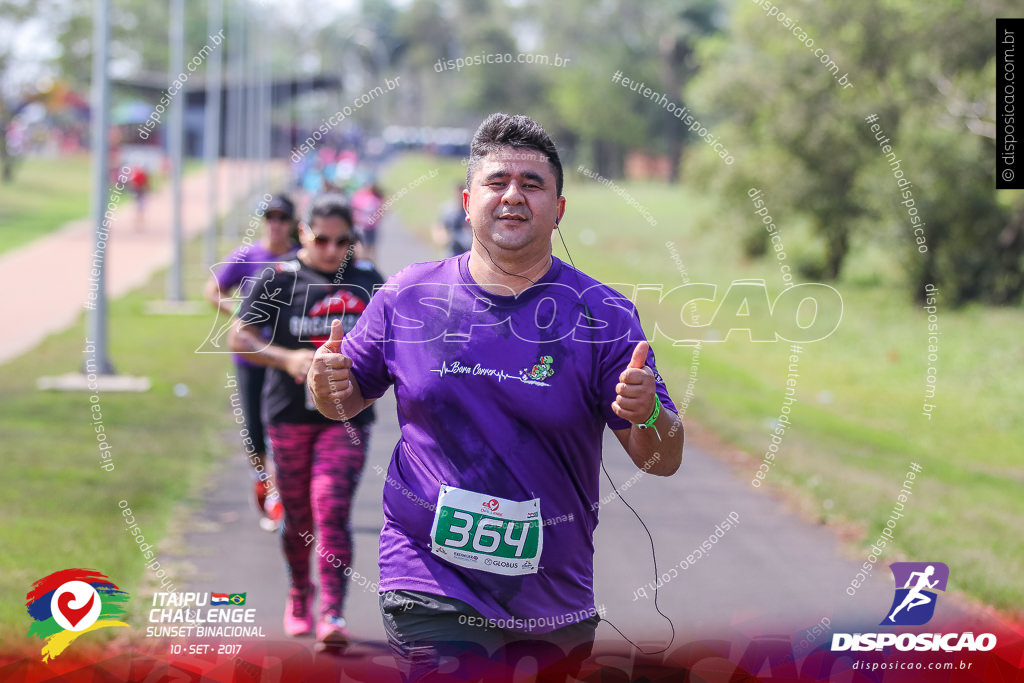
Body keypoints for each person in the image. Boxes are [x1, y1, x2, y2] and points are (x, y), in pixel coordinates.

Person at [307, 113, 684, 680]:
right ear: (466, 202)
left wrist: (648, 411)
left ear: (558, 210)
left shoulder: (603, 315)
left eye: (532, 185)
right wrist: (323, 383)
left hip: (552, 598)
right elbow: (341, 403)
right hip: (427, 580)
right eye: (497, 181)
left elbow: (661, 459)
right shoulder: (409, 296)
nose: (514, 196)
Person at [228, 194, 384, 649]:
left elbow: (395, 335)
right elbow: (239, 336)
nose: (333, 250)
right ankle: (300, 592)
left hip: (347, 418)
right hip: (289, 416)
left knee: (331, 509)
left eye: (343, 241)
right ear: (303, 234)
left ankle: (332, 613)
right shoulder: (276, 278)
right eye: (322, 239)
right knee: (297, 517)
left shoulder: (368, 279)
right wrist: (287, 359)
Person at [204, 195, 298, 530]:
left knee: (286, 429)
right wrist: (242, 312)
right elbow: (213, 290)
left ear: (292, 223)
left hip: (288, 359)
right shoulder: (248, 256)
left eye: (282, 218)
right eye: (270, 218)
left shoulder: (298, 259)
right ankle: (263, 480)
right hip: (251, 359)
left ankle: (280, 494)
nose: (276, 225)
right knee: (255, 433)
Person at [434, 182, 473, 256]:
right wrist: (444, 238)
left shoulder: (471, 210)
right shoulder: (447, 210)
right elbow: (439, 227)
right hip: (451, 250)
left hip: (467, 249)